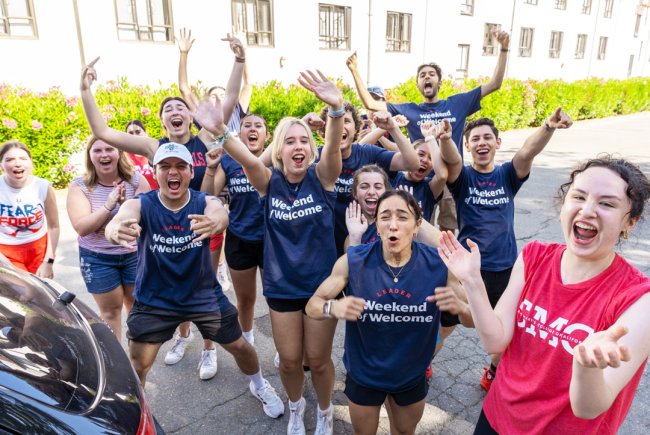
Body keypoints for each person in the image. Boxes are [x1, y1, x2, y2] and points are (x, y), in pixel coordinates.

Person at [438, 155, 650, 434]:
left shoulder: (637, 298)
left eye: (607, 203)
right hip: (497, 416)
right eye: (579, 197)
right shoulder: (535, 255)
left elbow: (588, 408)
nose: (587, 211)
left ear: (629, 222)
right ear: (564, 205)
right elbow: (495, 341)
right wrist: (471, 280)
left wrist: (588, 366)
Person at [79, 37, 245, 379]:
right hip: (165, 232)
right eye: (167, 109)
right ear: (162, 118)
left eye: (179, 107)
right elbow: (101, 131)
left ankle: (209, 349)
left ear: (189, 113)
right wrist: (85, 92)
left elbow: (229, 100)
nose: (174, 111)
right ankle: (181, 338)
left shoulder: (207, 139)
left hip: (203, 226)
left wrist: (239, 62)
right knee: (173, 290)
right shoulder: (154, 146)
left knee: (206, 289)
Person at [192, 69, 343, 435]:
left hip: (321, 288)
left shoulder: (322, 177)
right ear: (280, 149)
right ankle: (297, 406)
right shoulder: (269, 182)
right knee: (290, 362)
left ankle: (324, 411)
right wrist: (222, 131)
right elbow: (246, 158)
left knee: (318, 362)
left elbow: (334, 149)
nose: (297, 147)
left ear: (311, 147)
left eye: (303, 140)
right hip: (281, 288)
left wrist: (336, 110)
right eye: (289, 141)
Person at [104, 142, 284, 419]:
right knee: (138, 363)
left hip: (203, 296)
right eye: (165, 166)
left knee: (240, 347)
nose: (172, 172)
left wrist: (215, 222)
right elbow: (122, 218)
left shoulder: (203, 201)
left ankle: (259, 385)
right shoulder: (141, 203)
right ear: (155, 172)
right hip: (155, 300)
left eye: (179, 167)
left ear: (190, 172)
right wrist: (116, 228)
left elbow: (219, 211)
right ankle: (138, 413)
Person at [306, 190, 464, 435]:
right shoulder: (354, 260)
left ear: (417, 226)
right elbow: (313, 305)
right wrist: (334, 307)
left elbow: (474, 322)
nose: (393, 225)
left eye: (402, 217)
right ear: (376, 225)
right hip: (364, 374)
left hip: (411, 375)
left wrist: (462, 306)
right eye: (385, 217)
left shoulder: (439, 265)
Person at [443, 107, 573, 391]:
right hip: (469, 269)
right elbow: (452, 160)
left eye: (487, 137)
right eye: (475, 139)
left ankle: (492, 371)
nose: (481, 143)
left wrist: (547, 126)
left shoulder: (506, 176)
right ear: (468, 146)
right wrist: (444, 140)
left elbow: (526, 153)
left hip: (505, 268)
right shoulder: (463, 179)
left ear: (497, 143)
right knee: (446, 324)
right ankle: (423, 363)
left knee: (506, 330)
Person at [346, 31, 510, 234]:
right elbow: (371, 103)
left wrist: (503, 48)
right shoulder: (410, 109)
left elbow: (495, 84)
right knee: (420, 229)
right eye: (422, 75)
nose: (427, 77)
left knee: (450, 231)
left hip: (451, 179)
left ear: (439, 83)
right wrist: (354, 71)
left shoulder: (457, 103)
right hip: (421, 180)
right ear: (418, 85)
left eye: (431, 74)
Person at [66, 136, 150, 340]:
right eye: (97, 151)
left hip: (134, 256)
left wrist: (125, 205)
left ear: (119, 152)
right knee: (110, 313)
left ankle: (136, 362)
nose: (104, 155)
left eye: (109, 149)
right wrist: (109, 205)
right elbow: (82, 227)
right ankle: (117, 366)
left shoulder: (137, 181)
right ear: (90, 157)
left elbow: (145, 219)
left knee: (137, 308)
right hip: (97, 259)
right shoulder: (79, 186)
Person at [310, 106, 419, 256]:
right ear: (325, 130)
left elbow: (412, 164)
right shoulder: (315, 157)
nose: (340, 125)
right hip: (324, 244)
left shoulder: (367, 152)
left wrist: (393, 128)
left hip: (363, 240)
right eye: (335, 121)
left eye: (347, 121)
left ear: (356, 128)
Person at [201, 113, 268, 348]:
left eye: (258, 126)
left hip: (272, 240)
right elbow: (208, 195)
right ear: (239, 135)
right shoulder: (229, 161)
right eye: (246, 125)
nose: (252, 129)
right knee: (246, 298)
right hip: (239, 238)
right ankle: (247, 337)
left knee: (275, 297)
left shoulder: (276, 160)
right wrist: (210, 169)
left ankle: (282, 345)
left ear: (266, 135)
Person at [0, 140, 59, 277]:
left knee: (43, 293)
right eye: (9, 159)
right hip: (6, 252)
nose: (17, 163)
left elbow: (54, 227)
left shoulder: (43, 187)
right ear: (1, 165)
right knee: (23, 294)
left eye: (23, 158)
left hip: (39, 249)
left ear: (30, 162)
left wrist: (48, 262)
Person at [177, 27, 252, 134]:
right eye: (213, 96)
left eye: (223, 95)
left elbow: (248, 84)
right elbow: (184, 88)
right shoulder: (203, 117)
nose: (219, 98)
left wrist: (243, 50)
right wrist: (183, 53)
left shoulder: (237, 111)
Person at [390, 120, 453, 221]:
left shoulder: (429, 187)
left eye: (431, 158)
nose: (425, 160)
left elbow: (442, 176)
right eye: (420, 154)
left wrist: (430, 137)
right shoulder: (392, 178)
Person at [125, 120, 158, 189]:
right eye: (130, 133)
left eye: (138, 132)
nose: (135, 136)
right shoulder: (125, 157)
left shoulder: (156, 153)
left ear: (146, 133)